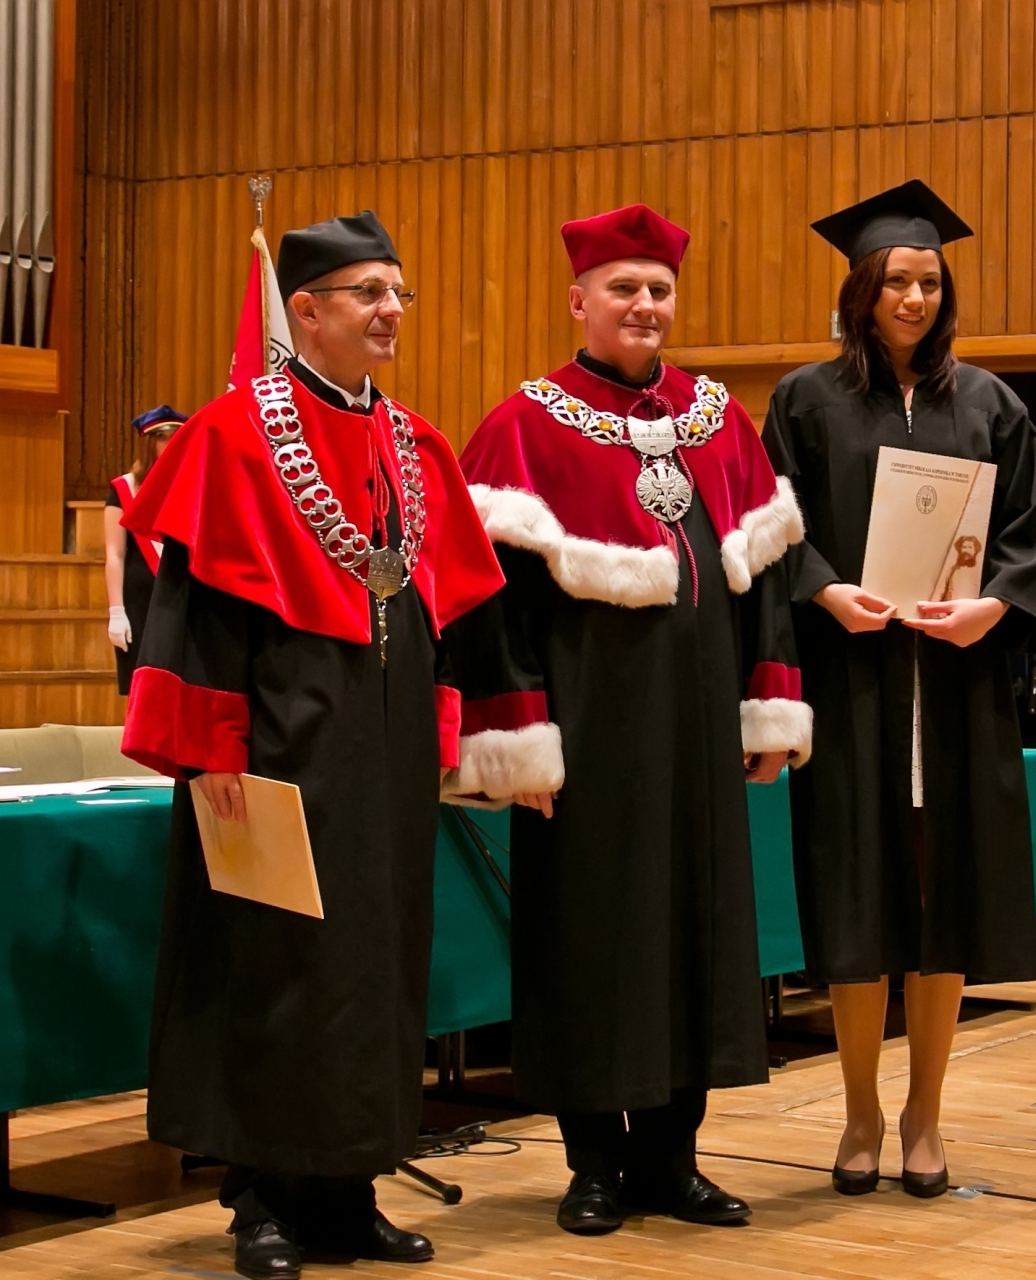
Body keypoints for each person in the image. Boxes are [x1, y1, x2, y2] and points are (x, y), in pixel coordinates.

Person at [118, 210, 504, 1279]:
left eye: (398, 293)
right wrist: (213, 751)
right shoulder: (231, 436)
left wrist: (437, 732)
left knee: (377, 964)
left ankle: (347, 1190)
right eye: (369, 292)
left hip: (383, 750)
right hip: (274, 744)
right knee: (273, 966)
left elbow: (439, 611)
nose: (391, 311)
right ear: (305, 310)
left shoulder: (415, 443)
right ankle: (262, 1201)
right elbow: (194, 613)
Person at [443, 205, 811, 1236]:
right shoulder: (523, 426)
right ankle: (594, 1164)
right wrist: (519, 739)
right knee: (591, 940)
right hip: (589, 739)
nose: (645, 305)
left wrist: (768, 707)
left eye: (659, 289)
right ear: (579, 300)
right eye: (624, 289)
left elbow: (766, 580)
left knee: (694, 933)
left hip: (698, 735)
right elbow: (487, 606)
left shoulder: (719, 419)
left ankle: (671, 1160)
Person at [761, 179, 1036, 1199]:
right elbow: (775, 525)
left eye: (930, 281)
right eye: (897, 280)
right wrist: (823, 590)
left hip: (957, 686)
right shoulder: (806, 401)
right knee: (857, 902)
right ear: (863, 289)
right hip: (853, 680)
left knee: (945, 905)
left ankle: (925, 1116)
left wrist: (996, 607)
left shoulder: (989, 403)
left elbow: (1031, 532)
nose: (915, 297)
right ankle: (859, 1113)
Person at [104, 404, 185, 693]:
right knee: (142, 690)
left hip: (178, 596)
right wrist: (116, 611)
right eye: (163, 437)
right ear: (149, 443)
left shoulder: (190, 484)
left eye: (177, 436)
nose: (170, 443)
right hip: (140, 601)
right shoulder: (124, 489)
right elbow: (115, 554)